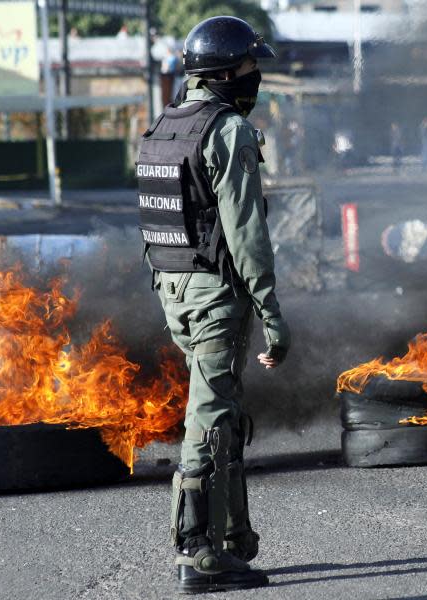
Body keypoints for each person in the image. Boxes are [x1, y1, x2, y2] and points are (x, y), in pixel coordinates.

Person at [135, 16, 289, 594]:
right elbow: (247, 235)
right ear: (225, 73)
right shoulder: (226, 132)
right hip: (215, 295)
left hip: (175, 292)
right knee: (209, 421)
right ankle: (196, 551)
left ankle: (232, 541)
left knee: (222, 412)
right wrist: (272, 315)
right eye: (251, 68)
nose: (256, 79)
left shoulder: (165, 125)